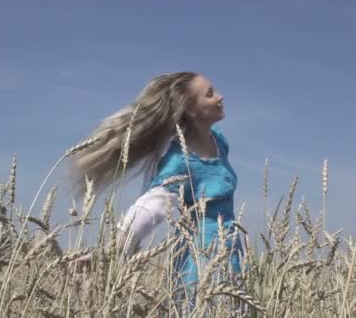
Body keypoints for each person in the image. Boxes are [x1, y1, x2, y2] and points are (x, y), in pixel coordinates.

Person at [69, 72, 244, 311]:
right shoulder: (179, 161)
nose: (220, 97)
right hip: (201, 262)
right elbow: (152, 205)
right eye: (210, 94)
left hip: (230, 253)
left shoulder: (219, 142)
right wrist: (110, 251)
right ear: (191, 110)